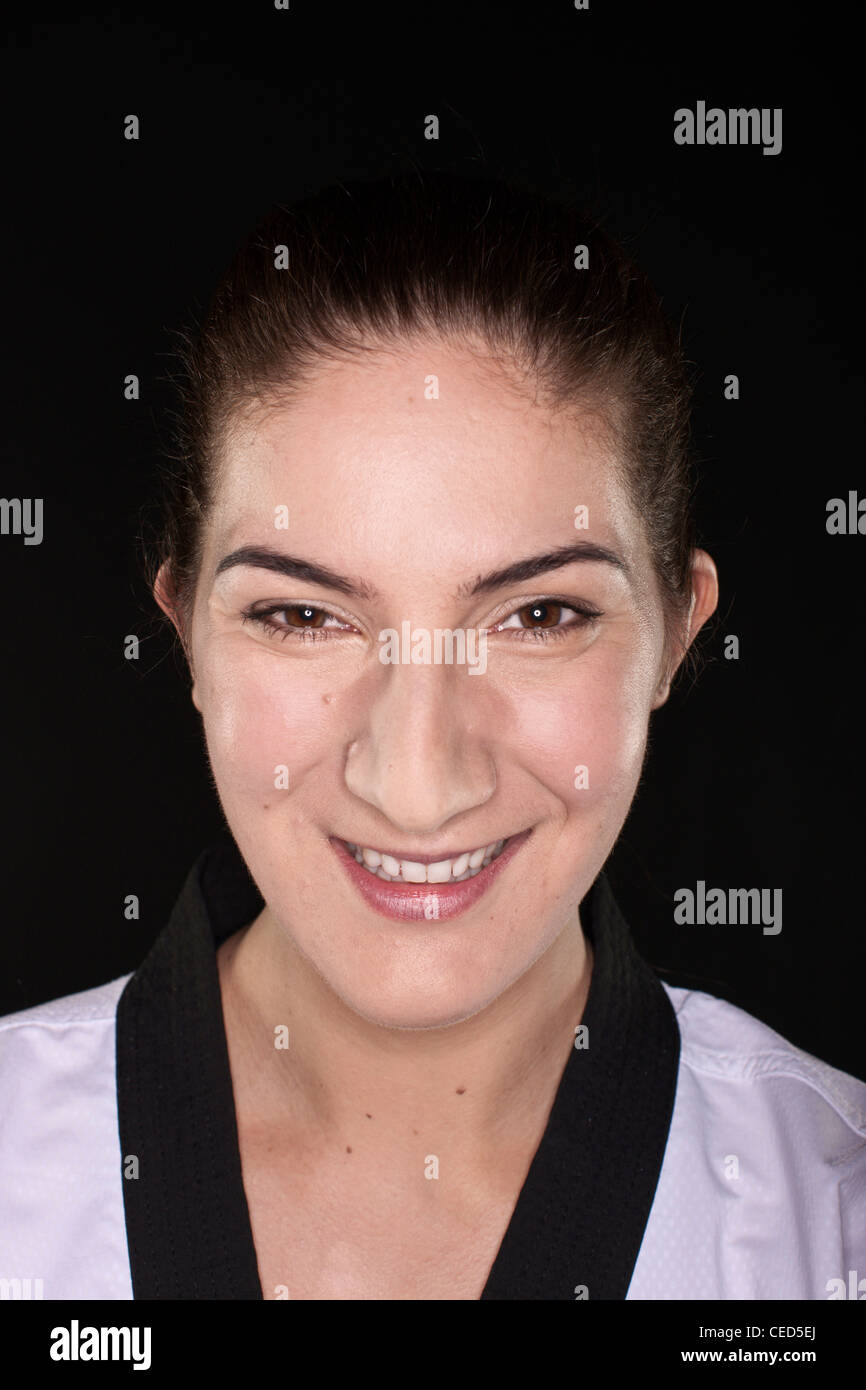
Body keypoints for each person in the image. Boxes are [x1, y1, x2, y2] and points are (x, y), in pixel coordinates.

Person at [1, 171, 863, 1301]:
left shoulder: (830, 1223)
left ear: (673, 636)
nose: (417, 781)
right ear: (187, 638)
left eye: (538, 616)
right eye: (302, 615)